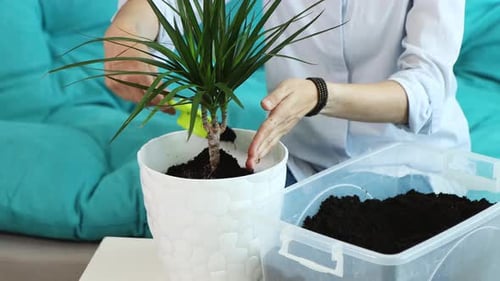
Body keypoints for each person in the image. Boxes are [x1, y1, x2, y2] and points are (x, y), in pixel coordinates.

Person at [106, 0, 470, 185]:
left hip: (412, 166)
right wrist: (128, 27)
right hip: (300, 169)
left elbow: (425, 90)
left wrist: (320, 95)